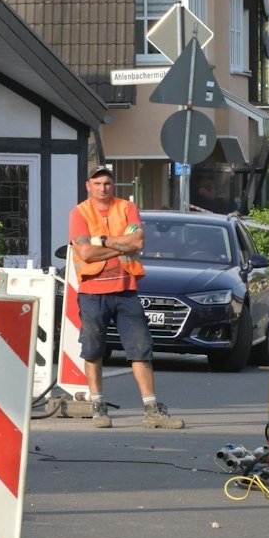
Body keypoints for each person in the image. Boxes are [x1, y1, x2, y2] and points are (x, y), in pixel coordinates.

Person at [70, 165, 183, 429]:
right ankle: (98, 406)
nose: (102, 188)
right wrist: (119, 244)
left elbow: (138, 242)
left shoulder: (126, 208)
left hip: (125, 288)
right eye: (97, 183)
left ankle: (151, 408)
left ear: (113, 185)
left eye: (107, 183)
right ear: (88, 186)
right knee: (93, 349)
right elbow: (85, 253)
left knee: (140, 350)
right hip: (92, 291)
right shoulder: (79, 213)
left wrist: (103, 241)